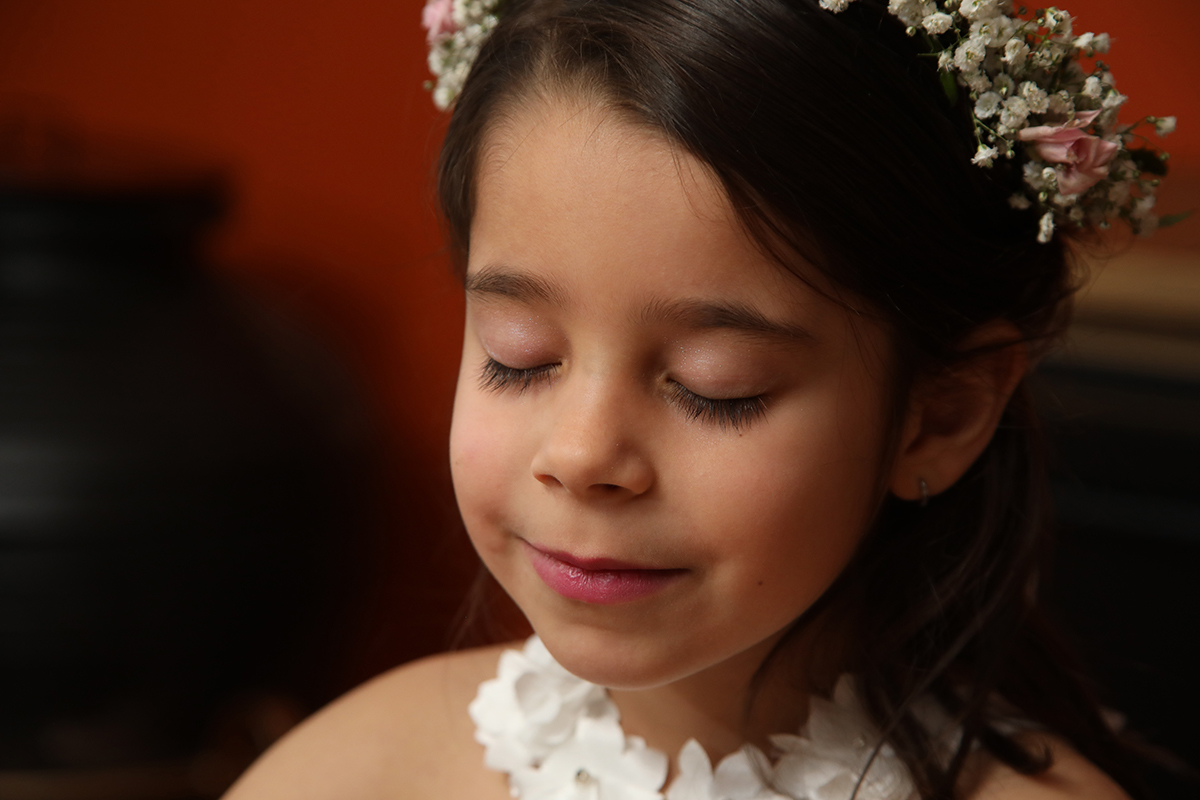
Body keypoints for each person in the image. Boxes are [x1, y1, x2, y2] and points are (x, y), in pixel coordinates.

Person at [223, 1, 1178, 798]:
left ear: (941, 415)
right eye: (520, 357)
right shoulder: (355, 770)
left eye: (716, 387)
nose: (582, 455)